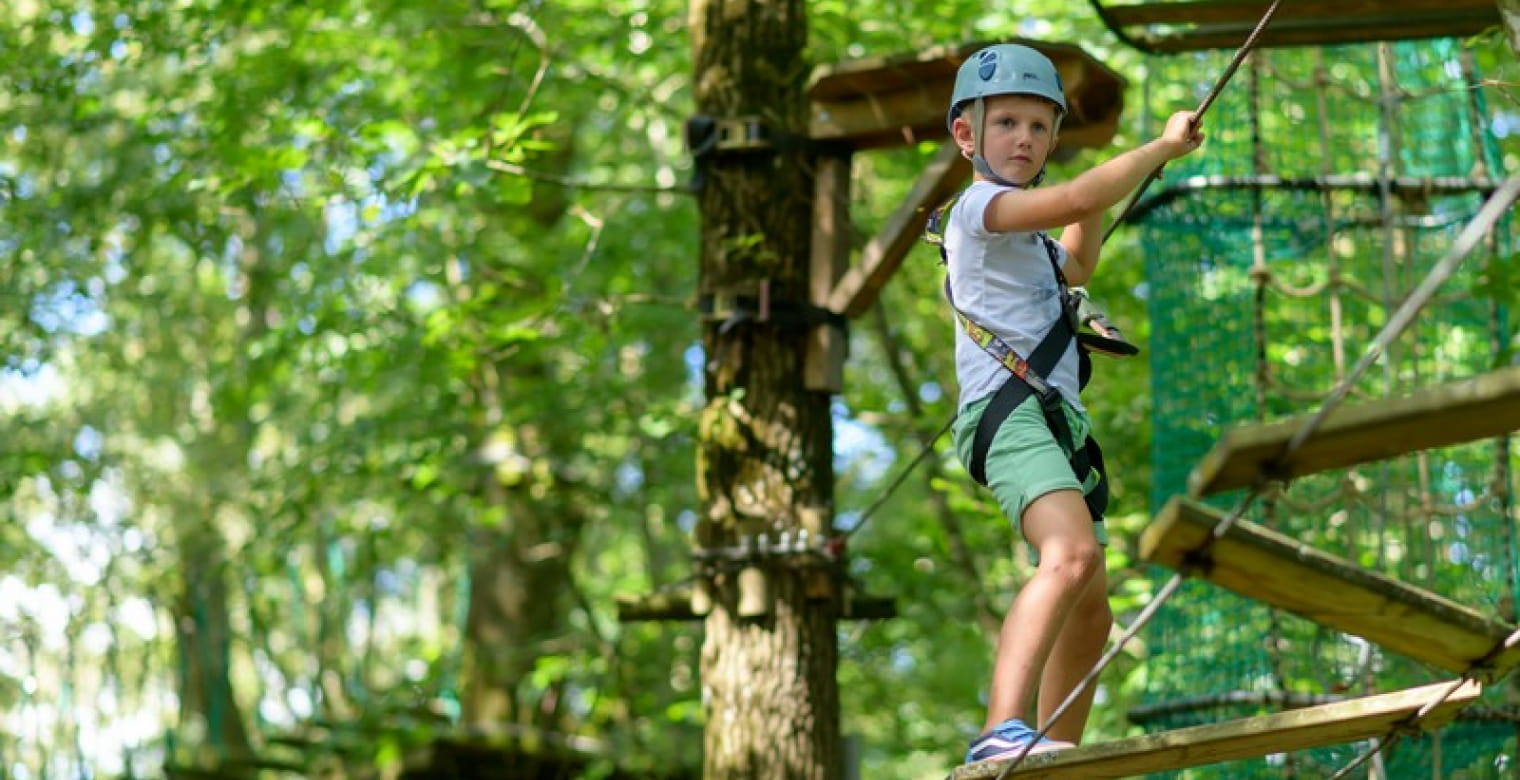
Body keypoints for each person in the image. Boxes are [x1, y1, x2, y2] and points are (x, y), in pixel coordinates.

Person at [936, 43, 1204, 764]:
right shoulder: (980, 208)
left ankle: (1055, 752)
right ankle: (1002, 727)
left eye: (1038, 127)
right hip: (1008, 412)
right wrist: (1159, 150)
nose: (1024, 139)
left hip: (1052, 418)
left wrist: (1112, 179)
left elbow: (1078, 253)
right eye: (1007, 124)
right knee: (1070, 554)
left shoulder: (1030, 242)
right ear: (969, 136)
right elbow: (1080, 198)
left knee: (1091, 607)